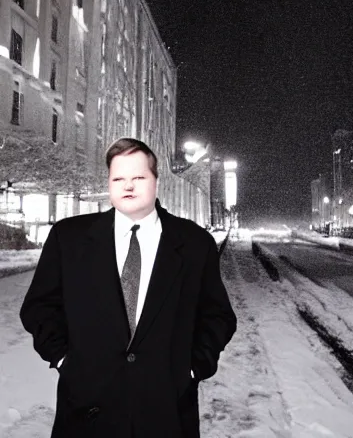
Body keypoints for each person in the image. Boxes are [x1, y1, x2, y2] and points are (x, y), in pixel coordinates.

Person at [20, 137, 237, 438]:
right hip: (86, 414)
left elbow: (218, 316)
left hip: (166, 414)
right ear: (109, 182)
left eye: (138, 177)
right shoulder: (68, 238)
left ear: (156, 181)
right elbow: (39, 308)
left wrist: (193, 368)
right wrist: (63, 359)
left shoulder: (194, 244)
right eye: (118, 178)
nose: (128, 186)